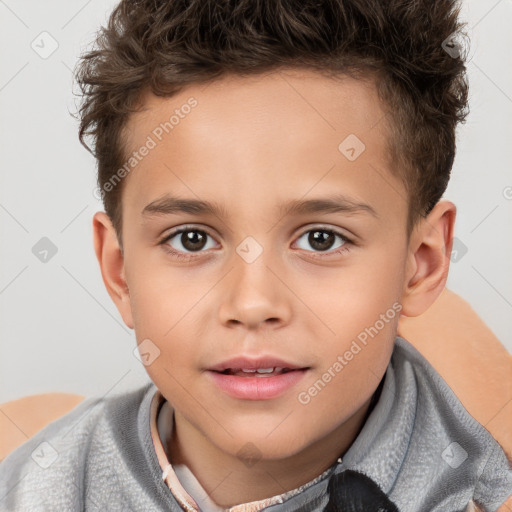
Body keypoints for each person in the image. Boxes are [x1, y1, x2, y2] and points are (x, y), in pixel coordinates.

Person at [0, 0, 510, 511]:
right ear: (119, 270)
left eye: (321, 239)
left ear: (421, 264)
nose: (252, 303)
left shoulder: (480, 491)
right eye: (192, 239)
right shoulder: (38, 486)